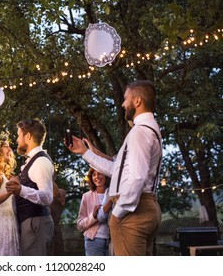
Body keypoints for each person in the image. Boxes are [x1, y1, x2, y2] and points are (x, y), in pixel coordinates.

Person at [67, 80, 162, 256]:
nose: (123, 103)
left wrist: (118, 213)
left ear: (138, 101)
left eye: (126, 99)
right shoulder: (151, 129)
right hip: (145, 207)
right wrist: (84, 152)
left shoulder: (140, 132)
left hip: (133, 211)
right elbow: (117, 170)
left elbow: (136, 177)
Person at [6, 119, 54, 256]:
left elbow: (47, 197)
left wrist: (21, 190)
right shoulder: (32, 161)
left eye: (18, 135)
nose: (16, 140)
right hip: (30, 222)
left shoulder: (41, 161)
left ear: (28, 136)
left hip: (36, 223)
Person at [77, 168, 110, 256]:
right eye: (94, 174)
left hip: (113, 241)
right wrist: (93, 216)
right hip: (93, 241)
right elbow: (79, 225)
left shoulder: (113, 195)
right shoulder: (86, 196)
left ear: (106, 175)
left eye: (99, 174)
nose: (96, 177)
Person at [47, 183, 66, 256]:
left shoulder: (60, 192)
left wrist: (49, 179)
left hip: (55, 231)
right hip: (44, 228)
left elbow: (57, 194)